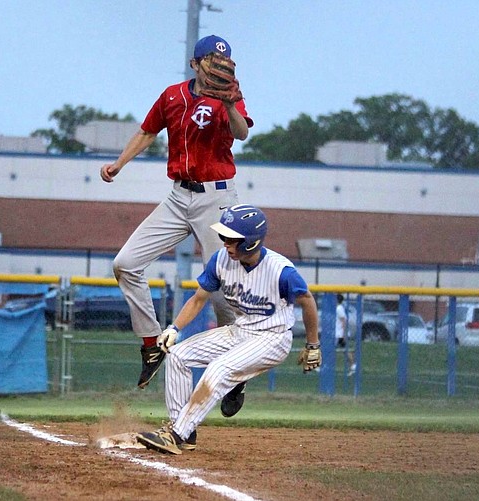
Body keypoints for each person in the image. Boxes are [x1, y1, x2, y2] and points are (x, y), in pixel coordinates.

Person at [99, 35, 254, 389]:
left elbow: (241, 133)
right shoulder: (172, 95)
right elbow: (147, 131)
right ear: (194, 63)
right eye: (211, 61)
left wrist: (230, 104)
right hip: (178, 196)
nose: (218, 67)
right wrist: (119, 164)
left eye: (223, 62)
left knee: (219, 288)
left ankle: (234, 371)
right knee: (125, 264)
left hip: (216, 198)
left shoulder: (229, 97)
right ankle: (152, 345)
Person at [135, 204, 322, 454]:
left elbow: (307, 300)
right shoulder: (221, 260)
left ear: (250, 242)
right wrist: (174, 328)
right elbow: (199, 299)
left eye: (231, 239)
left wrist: (312, 344)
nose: (225, 244)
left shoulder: (281, 271)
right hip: (240, 331)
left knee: (218, 368)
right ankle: (184, 431)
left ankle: (175, 434)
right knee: (178, 356)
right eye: (224, 237)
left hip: (272, 338)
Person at [335, 293, 356, 376]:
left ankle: (353, 366)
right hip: (338, 334)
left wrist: (343, 334)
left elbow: (343, 320)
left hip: (339, 335)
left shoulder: (339, 308)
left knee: (345, 351)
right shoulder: (338, 308)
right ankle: (353, 366)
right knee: (345, 351)